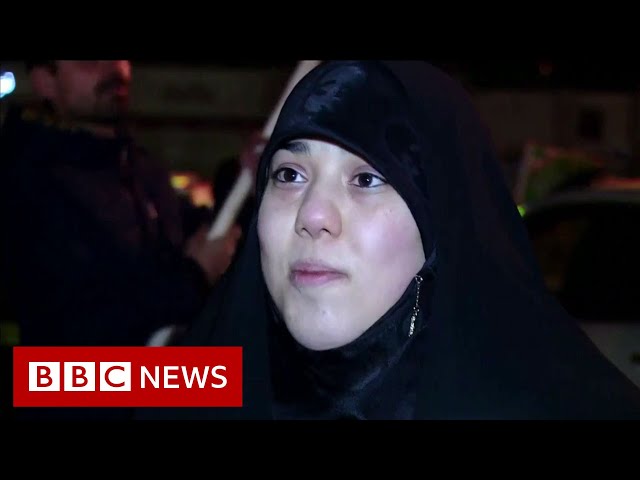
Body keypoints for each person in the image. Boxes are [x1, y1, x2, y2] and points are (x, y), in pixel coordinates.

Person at [140, 59, 640, 420]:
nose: (313, 216)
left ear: (440, 219)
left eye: (366, 179)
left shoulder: (555, 405)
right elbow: (92, 378)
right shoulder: (198, 384)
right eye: (289, 174)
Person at [0, 61, 243, 349]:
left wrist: (253, 178)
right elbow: (75, 323)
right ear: (45, 81)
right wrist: (195, 277)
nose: (115, 68)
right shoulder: (25, 182)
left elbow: (198, 233)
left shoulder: (140, 168)